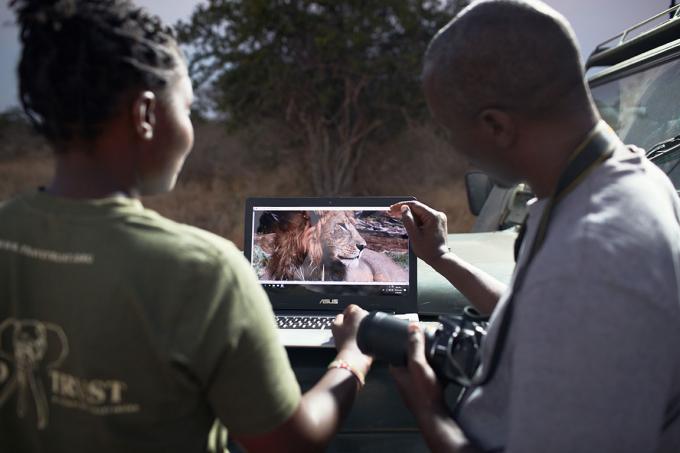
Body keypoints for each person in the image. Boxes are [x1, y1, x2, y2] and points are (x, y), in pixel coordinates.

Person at [0, 1, 371, 452]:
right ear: (146, 115)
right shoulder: (205, 272)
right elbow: (289, 443)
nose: (191, 128)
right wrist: (353, 357)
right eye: (189, 109)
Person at [388, 1, 680, 452]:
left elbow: (574, 291)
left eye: (450, 130)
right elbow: (553, 320)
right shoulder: (620, 178)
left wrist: (430, 410)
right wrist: (442, 259)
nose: (456, 148)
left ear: (496, 126)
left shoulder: (592, 254)